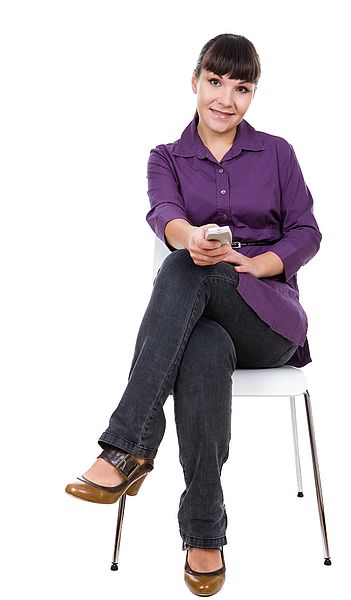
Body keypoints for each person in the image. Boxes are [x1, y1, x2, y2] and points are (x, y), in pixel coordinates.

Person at [65, 33, 322, 597]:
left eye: (242, 87)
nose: (226, 99)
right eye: (215, 82)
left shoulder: (277, 152)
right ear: (195, 81)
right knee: (200, 334)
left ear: (253, 94)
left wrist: (255, 266)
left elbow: (307, 231)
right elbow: (164, 213)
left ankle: (127, 447)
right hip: (204, 319)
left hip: (269, 323)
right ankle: (205, 527)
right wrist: (190, 239)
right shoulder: (166, 157)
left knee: (184, 272)